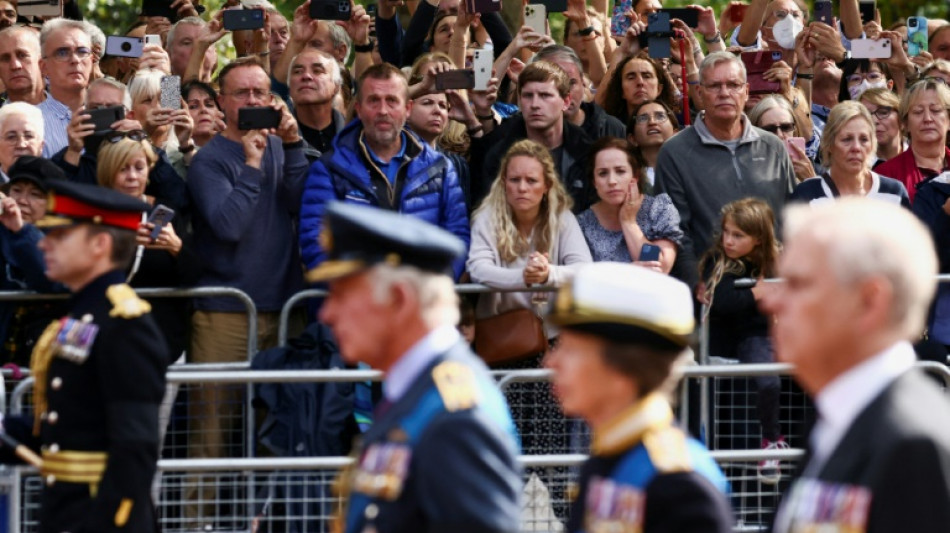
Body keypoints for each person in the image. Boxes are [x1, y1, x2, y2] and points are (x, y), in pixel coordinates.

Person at [312, 202, 522, 533]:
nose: (327, 313)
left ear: (399, 299)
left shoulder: (457, 418)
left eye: (341, 294)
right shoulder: (416, 391)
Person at [765, 197, 950, 532]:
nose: (771, 301)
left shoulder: (915, 445)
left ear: (870, 302)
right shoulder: (836, 416)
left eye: (798, 283)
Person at [185, 56, 308, 527]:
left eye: (262, 93)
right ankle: (195, 524)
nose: (254, 102)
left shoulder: (279, 145)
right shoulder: (209, 160)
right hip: (225, 315)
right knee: (211, 433)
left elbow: (300, 204)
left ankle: (267, 523)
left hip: (285, 308)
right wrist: (254, 164)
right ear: (222, 101)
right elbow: (228, 225)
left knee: (274, 430)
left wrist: (293, 147)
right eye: (243, 94)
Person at [544, 262, 733, 532]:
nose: (551, 363)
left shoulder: (679, 485)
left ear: (623, 370)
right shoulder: (607, 456)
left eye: (571, 350)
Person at [24, 179, 167, 533]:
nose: (44, 244)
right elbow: (68, 424)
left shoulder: (125, 324)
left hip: (101, 518)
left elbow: (134, 448)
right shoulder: (84, 314)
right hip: (68, 511)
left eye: (59, 236)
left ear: (99, 244)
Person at [299, 63, 470, 279]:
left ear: (407, 109)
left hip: (420, 304)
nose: (383, 111)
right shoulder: (328, 169)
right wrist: (367, 294)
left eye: (391, 101)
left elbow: (457, 238)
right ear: (358, 109)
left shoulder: (440, 168)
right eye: (373, 101)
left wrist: (427, 289)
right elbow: (315, 244)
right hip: (355, 306)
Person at [656, 51, 795, 289]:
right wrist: (697, 285)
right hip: (714, 291)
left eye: (733, 85)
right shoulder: (674, 152)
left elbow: (791, 217)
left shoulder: (773, 147)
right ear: (699, 92)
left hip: (773, 287)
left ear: (746, 91)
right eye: (714, 86)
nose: (724, 93)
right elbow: (676, 231)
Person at [467, 139, 592, 338]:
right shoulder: (487, 217)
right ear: (503, 182)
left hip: (552, 333)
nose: (522, 188)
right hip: (501, 333)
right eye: (514, 180)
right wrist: (524, 277)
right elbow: (478, 269)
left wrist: (547, 274)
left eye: (531, 180)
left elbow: (584, 269)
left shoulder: (562, 217)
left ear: (546, 186)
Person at [699, 197, 785, 484]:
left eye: (738, 235)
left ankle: (774, 440)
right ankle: (767, 442)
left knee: (771, 380)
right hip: (729, 341)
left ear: (759, 239)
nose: (729, 241)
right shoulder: (717, 260)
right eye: (726, 232)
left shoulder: (776, 262)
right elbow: (721, 300)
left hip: (763, 336)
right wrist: (754, 294)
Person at [472, 61, 593, 210]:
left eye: (545, 95)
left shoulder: (587, 153)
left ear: (566, 101)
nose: (535, 104)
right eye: (528, 96)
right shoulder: (497, 153)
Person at [576, 137, 682, 273]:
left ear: (636, 175)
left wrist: (628, 222)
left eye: (620, 171)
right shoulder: (581, 224)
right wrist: (625, 272)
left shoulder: (659, 209)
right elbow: (580, 278)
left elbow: (659, 268)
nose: (612, 181)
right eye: (603, 173)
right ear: (594, 181)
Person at [0, 157, 65, 366]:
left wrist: (22, 231)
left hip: (39, 360)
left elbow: (49, 279)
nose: (22, 201)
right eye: (17, 190)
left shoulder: (64, 238)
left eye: (35, 194)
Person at [791, 101, 910, 207]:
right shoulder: (806, 194)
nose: (856, 148)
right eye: (847, 139)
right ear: (830, 144)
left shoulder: (894, 192)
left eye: (864, 139)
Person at [875, 79, 950, 204]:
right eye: (918, 112)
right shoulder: (885, 175)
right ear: (905, 123)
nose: (927, 118)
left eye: (936, 110)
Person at [37, 18, 93, 158]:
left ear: (91, 61)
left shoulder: (114, 111)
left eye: (82, 51)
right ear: (44, 67)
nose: (75, 60)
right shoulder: (32, 122)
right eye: (62, 53)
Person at [287, 48, 345, 158]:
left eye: (317, 71)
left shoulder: (355, 137)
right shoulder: (276, 140)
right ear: (289, 86)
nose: (306, 76)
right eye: (298, 72)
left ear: (336, 86)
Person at [749, 96, 816, 181]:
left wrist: (811, 180)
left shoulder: (807, 169)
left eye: (786, 127)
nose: (779, 135)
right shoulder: (744, 172)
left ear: (794, 131)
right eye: (770, 129)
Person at [626, 99, 679, 193]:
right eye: (643, 118)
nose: (652, 122)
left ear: (675, 133)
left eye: (660, 116)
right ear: (632, 139)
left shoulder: (688, 170)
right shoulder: (626, 176)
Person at [0, 26, 46, 106]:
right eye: (5, 59)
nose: (15, 66)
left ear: (42, 63)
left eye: (22, 55)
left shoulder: (72, 110)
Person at [857, 87, 904, 168]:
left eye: (883, 113)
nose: (874, 121)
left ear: (901, 118)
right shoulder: (855, 167)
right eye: (866, 115)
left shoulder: (922, 157)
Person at [0, 102, 44, 181]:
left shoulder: (53, 189)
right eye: (11, 137)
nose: (21, 145)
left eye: (29, 136)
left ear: (41, 145)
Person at [182, 79, 223, 151]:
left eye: (209, 105)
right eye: (193, 106)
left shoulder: (240, 147)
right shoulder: (172, 153)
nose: (203, 110)